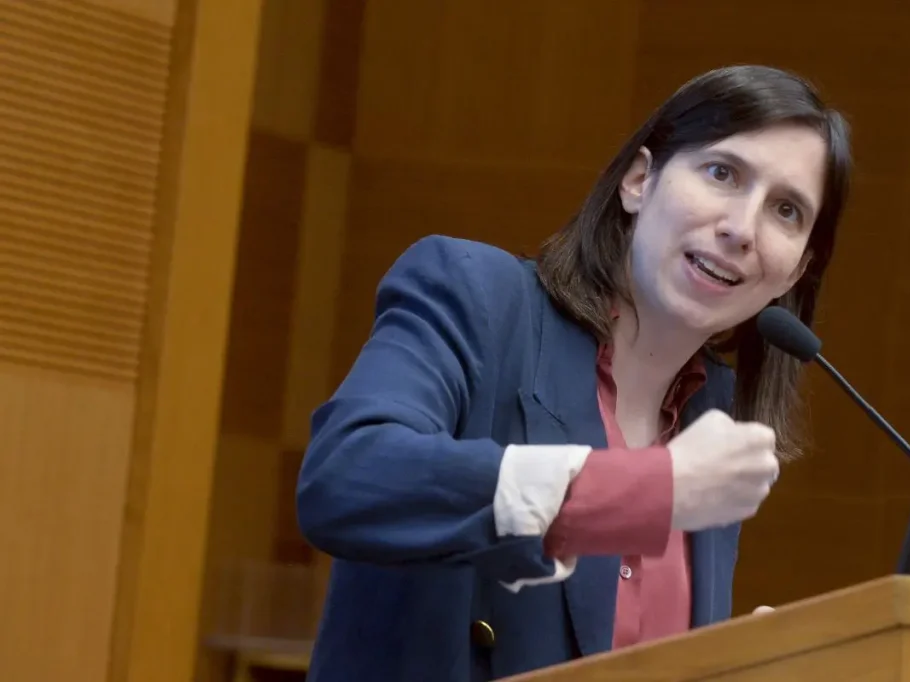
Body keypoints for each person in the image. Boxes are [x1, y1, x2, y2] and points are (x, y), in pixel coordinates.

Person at [297, 64, 852, 682]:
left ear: (796, 270)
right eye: (722, 173)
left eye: (786, 210)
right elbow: (344, 478)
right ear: (639, 181)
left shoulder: (716, 422)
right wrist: (642, 489)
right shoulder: (477, 298)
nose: (742, 229)